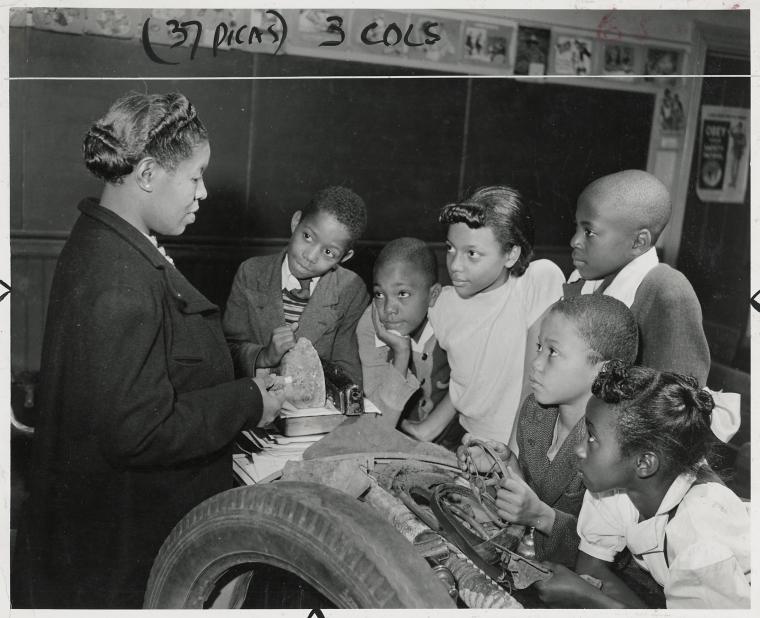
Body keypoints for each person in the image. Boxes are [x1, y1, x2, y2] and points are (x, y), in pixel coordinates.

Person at [12, 92, 284, 609]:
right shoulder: (121, 281)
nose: (203, 192)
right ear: (148, 174)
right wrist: (250, 400)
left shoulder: (105, 242)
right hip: (126, 548)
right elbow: (138, 429)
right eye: (195, 176)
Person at [535, 361, 751, 609]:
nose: (578, 448)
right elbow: (592, 568)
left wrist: (589, 597)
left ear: (645, 463)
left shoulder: (699, 538)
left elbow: (591, 587)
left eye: (592, 438)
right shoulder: (620, 483)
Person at [457, 295, 638, 566]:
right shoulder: (535, 412)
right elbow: (532, 491)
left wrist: (541, 516)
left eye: (552, 352)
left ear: (604, 371)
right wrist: (505, 466)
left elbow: (613, 558)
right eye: (539, 346)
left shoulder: (616, 446)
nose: (536, 363)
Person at [423, 185, 565, 444]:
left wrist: (511, 456)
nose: (455, 265)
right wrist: (428, 428)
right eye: (451, 249)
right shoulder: (441, 302)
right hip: (464, 438)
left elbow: (532, 383)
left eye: (472, 254)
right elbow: (467, 378)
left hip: (521, 444)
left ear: (511, 254)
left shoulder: (536, 282)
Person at [564, 170, 710, 386]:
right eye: (576, 226)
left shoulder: (666, 290)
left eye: (589, 232)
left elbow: (678, 404)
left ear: (638, 242)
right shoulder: (583, 281)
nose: (574, 241)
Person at [223, 186, 369, 385]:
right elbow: (226, 352)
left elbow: (349, 373)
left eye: (329, 253)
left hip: (315, 410)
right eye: (308, 237)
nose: (310, 256)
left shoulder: (351, 289)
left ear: (344, 257)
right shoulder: (251, 273)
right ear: (295, 223)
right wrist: (263, 356)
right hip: (256, 404)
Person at [356, 237, 460, 448]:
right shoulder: (371, 324)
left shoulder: (456, 313)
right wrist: (401, 355)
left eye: (402, 294)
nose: (388, 309)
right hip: (395, 440)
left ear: (433, 295)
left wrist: (429, 429)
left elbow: (476, 380)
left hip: (457, 439)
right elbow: (381, 423)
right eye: (379, 294)